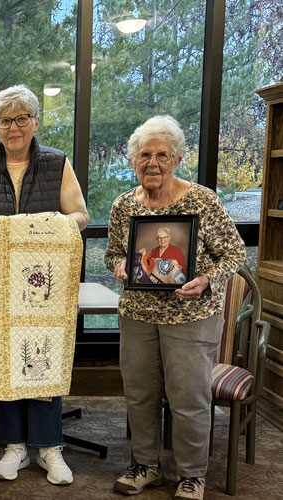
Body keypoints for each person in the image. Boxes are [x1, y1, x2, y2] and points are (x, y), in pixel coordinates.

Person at [0, 85, 89, 486]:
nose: (14, 127)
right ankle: (13, 447)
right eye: (5, 120)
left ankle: (49, 448)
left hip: (43, 289)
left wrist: (41, 228)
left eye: (22, 118)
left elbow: (79, 214)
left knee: (43, 355)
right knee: (1, 361)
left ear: (35, 122)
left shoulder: (57, 164)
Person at [106, 115, 245, 500]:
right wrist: (118, 264)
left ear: (178, 158)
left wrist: (208, 280)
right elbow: (115, 252)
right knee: (140, 395)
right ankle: (145, 466)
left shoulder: (201, 200)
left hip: (191, 317)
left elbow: (233, 253)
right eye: (145, 155)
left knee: (188, 399)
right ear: (134, 160)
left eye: (163, 155)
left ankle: (191, 474)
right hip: (137, 315)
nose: (153, 163)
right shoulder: (123, 206)